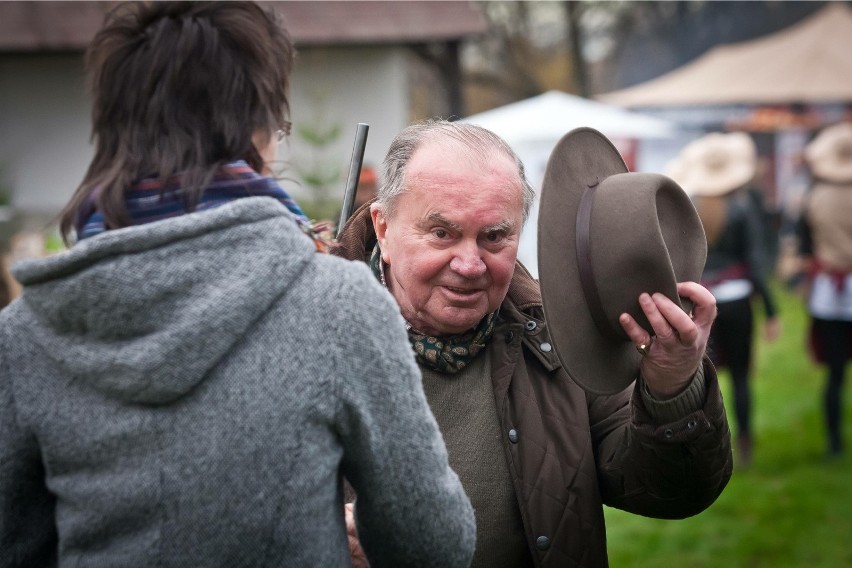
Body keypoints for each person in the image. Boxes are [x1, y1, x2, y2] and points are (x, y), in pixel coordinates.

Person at [0, 3, 475, 566]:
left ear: (110, 129)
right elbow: (433, 544)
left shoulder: (23, 334)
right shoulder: (337, 305)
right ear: (257, 132)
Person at [335, 120, 733, 567]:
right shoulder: (305, 336)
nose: (469, 265)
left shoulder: (556, 335)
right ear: (383, 228)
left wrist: (672, 386)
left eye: (494, 237)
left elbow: (672, 492)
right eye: (442, 233)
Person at [666, 131, 780, 467]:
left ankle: (704, 447)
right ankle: (744, 444)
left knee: (699, 380)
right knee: (742, 377)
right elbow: (756, 264)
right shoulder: (742, 208)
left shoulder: (689, 207)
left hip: (700, 304)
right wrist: (772, 311)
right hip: (739, 301)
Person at [798, 121, 852, 457]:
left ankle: (834, 441)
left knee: (834, 372)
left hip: (830, 293)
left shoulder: (814, 199)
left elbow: (805, 249)